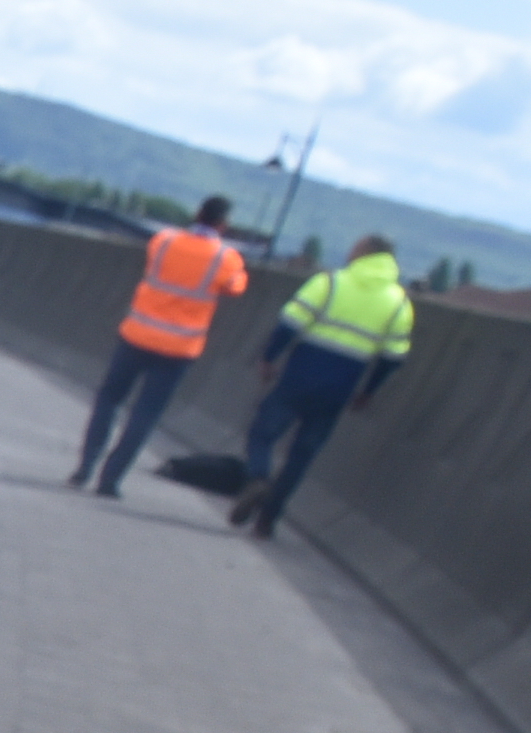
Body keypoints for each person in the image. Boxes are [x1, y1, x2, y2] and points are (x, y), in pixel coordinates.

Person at [231, 234, 417, 538]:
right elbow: (392, 358)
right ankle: (267, 520)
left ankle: (258, 478)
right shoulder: (399, 303)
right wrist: (368, 391)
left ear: (362, 252)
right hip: (340, 388)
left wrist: (268, 357)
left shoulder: (330, 282)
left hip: (299, 376)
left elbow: (290, 323)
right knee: (302, 454)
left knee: (262, 432)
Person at [71, 194, 247, 495]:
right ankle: (110, 480)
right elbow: (235, 287)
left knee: (109, 400)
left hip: (136, 335)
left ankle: (85, 467)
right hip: (178, 349)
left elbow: (153, 264)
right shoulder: (226, 259)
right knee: (145, 414)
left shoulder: (163, 241)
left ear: (196, 213)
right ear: (223, 224)